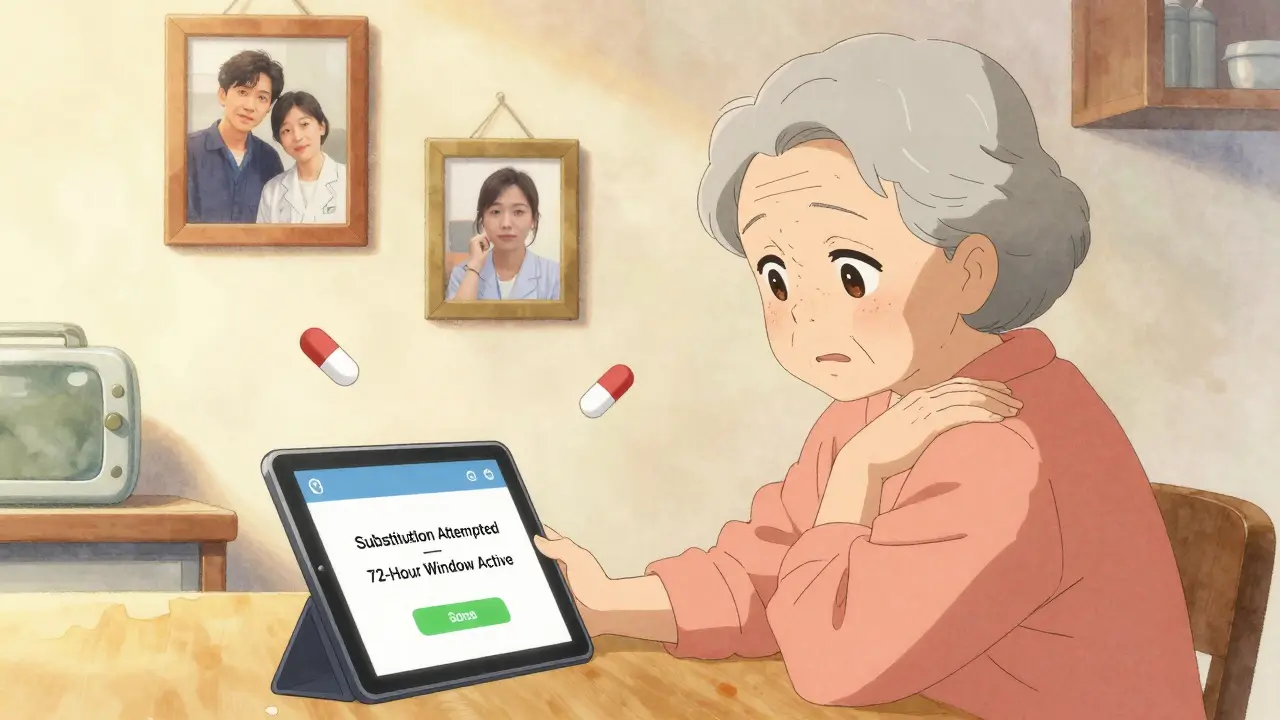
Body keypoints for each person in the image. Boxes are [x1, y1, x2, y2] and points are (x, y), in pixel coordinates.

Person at [533, 34, 1205, 720]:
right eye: (776, 276)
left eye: (852, 271)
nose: (808, 317)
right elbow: (768, 572)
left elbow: (831, 662)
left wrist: (856, 480)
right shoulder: (880, 408)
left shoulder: (1005, 445)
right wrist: (609, 600)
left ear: (971, 269)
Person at [186, 50, 286, 223]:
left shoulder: (270, 160)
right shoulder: (188, 149)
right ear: (222, 95)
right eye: (242, 92)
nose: (250, 106)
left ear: (269, 107)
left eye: (262, 97)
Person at [445, 167, 560, 301]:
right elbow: (458, 321)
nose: (506, 224)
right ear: (482, 219)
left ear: (533, 220)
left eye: (518, 212)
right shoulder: (462, 273)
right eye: (496, 212)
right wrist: (474, 268)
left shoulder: (555, 275)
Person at [257, 91, 347, 224]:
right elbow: (263, 243)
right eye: (286, 130)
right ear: (280, 140)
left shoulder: (351, 181)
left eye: (304, 124)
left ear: (321, 127)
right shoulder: (272, 191)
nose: (297, 137)